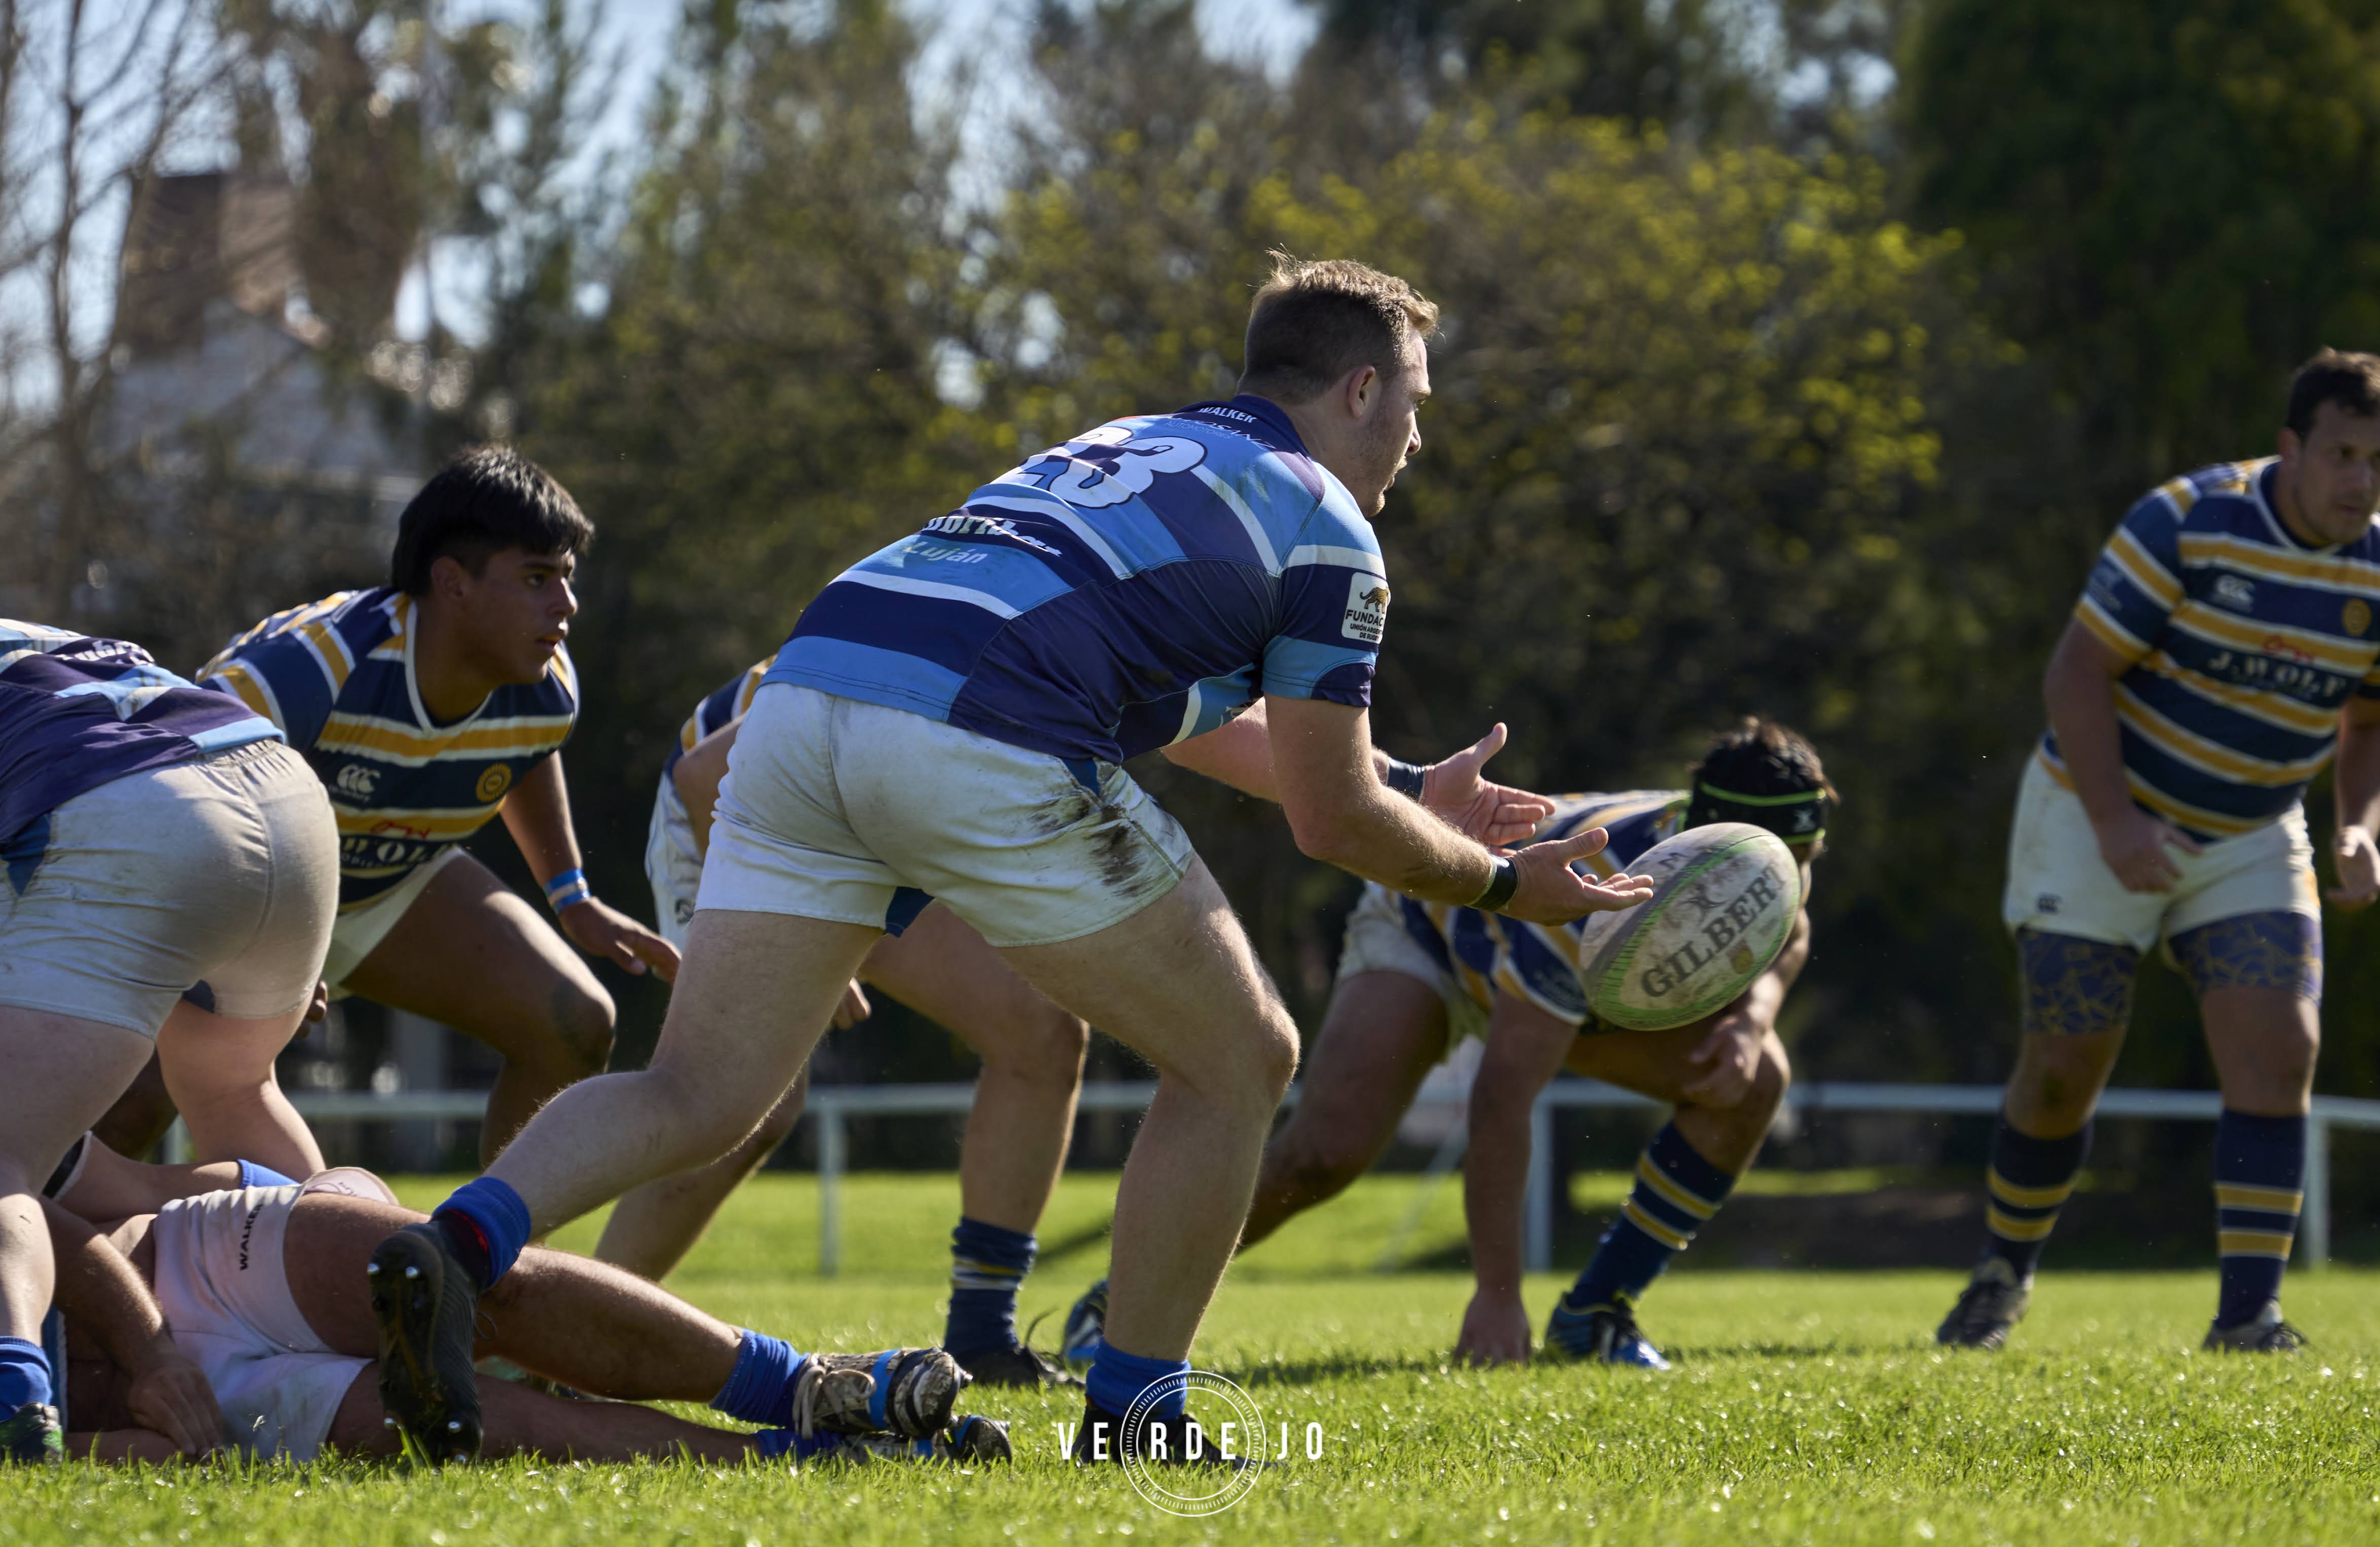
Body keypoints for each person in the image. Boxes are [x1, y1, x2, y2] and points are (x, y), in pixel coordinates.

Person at [369, 254, 1649, 1466]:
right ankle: (1138, 1415)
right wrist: (1499, 885)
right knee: (1240, 1058)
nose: (1416, 441)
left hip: (804, 702)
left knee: (700, 1090)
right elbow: (1331, 825)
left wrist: (1415, 790)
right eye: (1414, 404)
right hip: (973, 734)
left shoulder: (1137, 447)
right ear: (1360, 387)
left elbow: (1195, 723)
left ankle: (457, 1242)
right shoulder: (1324, 527)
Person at [1063, 720, 1828, 1371]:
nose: (1795, 872)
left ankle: (1594, 1314)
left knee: (1754, 1076)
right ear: (1705, 819)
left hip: (1565, 978)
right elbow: (1501, 1097)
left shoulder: (1757, 856)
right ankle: (1113, 1309)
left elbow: (1787, 926)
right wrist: (1495, 1296)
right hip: (1430, 930)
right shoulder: (1602, 884)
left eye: (1804, 858)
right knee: (1324, 1155)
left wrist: (1750, 1018)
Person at [1935, 348, 2380, 1355]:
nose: (2362, 481)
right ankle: (2003, 1273)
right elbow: (2073, 676)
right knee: (2063, 1066)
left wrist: (2357, 826)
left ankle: (2246, 1318)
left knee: (2281, 1052)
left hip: (2253, 833)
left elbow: (2368, 721)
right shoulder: (2185, 521)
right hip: (2092, 812)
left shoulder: (2378, 572)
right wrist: (2117, 825)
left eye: (2379, 462)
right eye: (2343, 454)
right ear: (2290, 450)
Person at [166, 446, 676, 1161]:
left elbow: (526, 751)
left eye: (566, 578)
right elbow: (181, 798)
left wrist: (572, 895)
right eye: (537, 579)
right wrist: (262, 942)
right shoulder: (308, 668)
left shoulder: (545, 682)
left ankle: (483, 1261)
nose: (566, 606)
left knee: (572, 1021)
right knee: (128, 1109)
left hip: (385, 886)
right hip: (225, 898)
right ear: (452, 583)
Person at [619, 661, 1088, 1389]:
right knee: (751, 1100)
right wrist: (802, 930)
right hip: (738, 809)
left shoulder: (1087, 644)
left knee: (1042, 1030)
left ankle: (982, 1335)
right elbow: (707, 774)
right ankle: (566, 1317)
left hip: (875, 826)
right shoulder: (962, 624)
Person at [43, 1168, 1004, 1466]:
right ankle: (800, 1462)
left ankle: (801, 1386)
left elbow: (41, 1221)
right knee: (473, 1428)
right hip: (161, 1409)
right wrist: (116, 1445)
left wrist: (152, 1348)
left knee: (481, 1292)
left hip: (178, 1265)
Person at [0, 619, 335, 1463]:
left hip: (130, 811)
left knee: (1, 1159)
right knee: (235, 1087)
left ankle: (14, 1402)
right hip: (280, 791)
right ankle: (363, 1284)